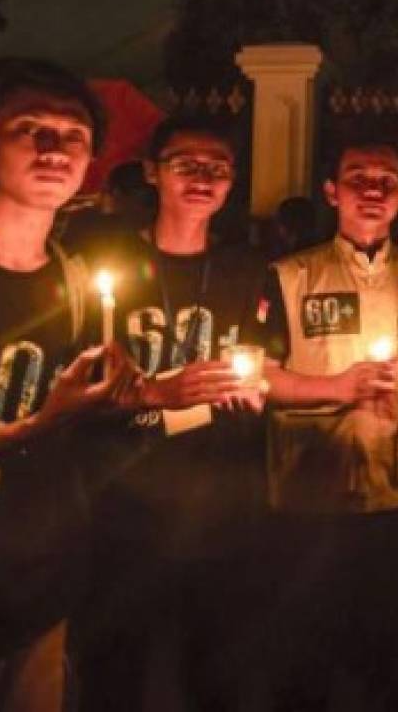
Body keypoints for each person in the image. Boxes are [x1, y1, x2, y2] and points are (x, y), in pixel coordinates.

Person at [76, 113, 271, 712]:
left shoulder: (244, 268)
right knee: (117, 672)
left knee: (217, 669)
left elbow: (259, 360)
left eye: (218, 169)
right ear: (155, 173)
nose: (203, 178)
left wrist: (252, 388)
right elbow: (77, 380)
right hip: (123, 498)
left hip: (218, 499)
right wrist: (154, 392)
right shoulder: (100, 261)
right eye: (187, 164)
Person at [257, 134, 398, 710]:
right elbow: (262, 378)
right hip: (309, 486)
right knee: (309, 649)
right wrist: (337, 387)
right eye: (358, 177)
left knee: (392, 650)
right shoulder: (290, 276)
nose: (373, 190)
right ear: (331, 191)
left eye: (386, 181)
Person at [0, 58, 136, 712]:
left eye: (72, 135)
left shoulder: (73, 282)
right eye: (30, 128)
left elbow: (79, 421)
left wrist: (154, 393)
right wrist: (40, 422)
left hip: (41, 590)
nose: (54, 148)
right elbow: (44, 419)